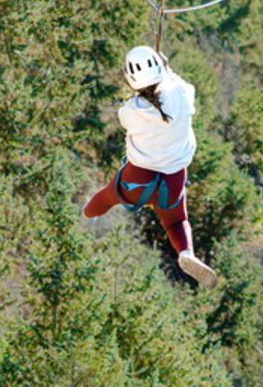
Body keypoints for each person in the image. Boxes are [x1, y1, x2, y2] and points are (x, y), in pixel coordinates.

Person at [81, 45, 218, 289]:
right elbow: (178, 86)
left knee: (108, 196)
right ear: (161, 69)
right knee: (176, 222)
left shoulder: (130, 111)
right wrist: (167, 68)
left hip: (138, 178)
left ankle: (84, 218)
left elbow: (136, 108)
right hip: (173, 180)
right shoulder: (184, 94)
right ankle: (186, 252)